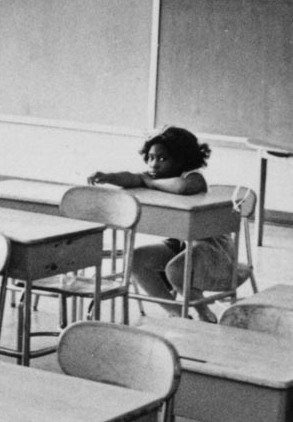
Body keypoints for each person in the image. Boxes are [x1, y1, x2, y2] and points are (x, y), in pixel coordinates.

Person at [88, 126, 234, 321]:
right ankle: (175, 311)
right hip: (184, 245)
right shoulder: (154, 177)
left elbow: (183, 187)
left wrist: (151, 183)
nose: (154, 164)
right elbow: (133, 178)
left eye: (162, 159)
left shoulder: (193, 177)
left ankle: (204, 311)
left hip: (213, 248)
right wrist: (108, 177)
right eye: (150, 158)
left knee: (176, 269)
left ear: (182, 159)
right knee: (135, 259)